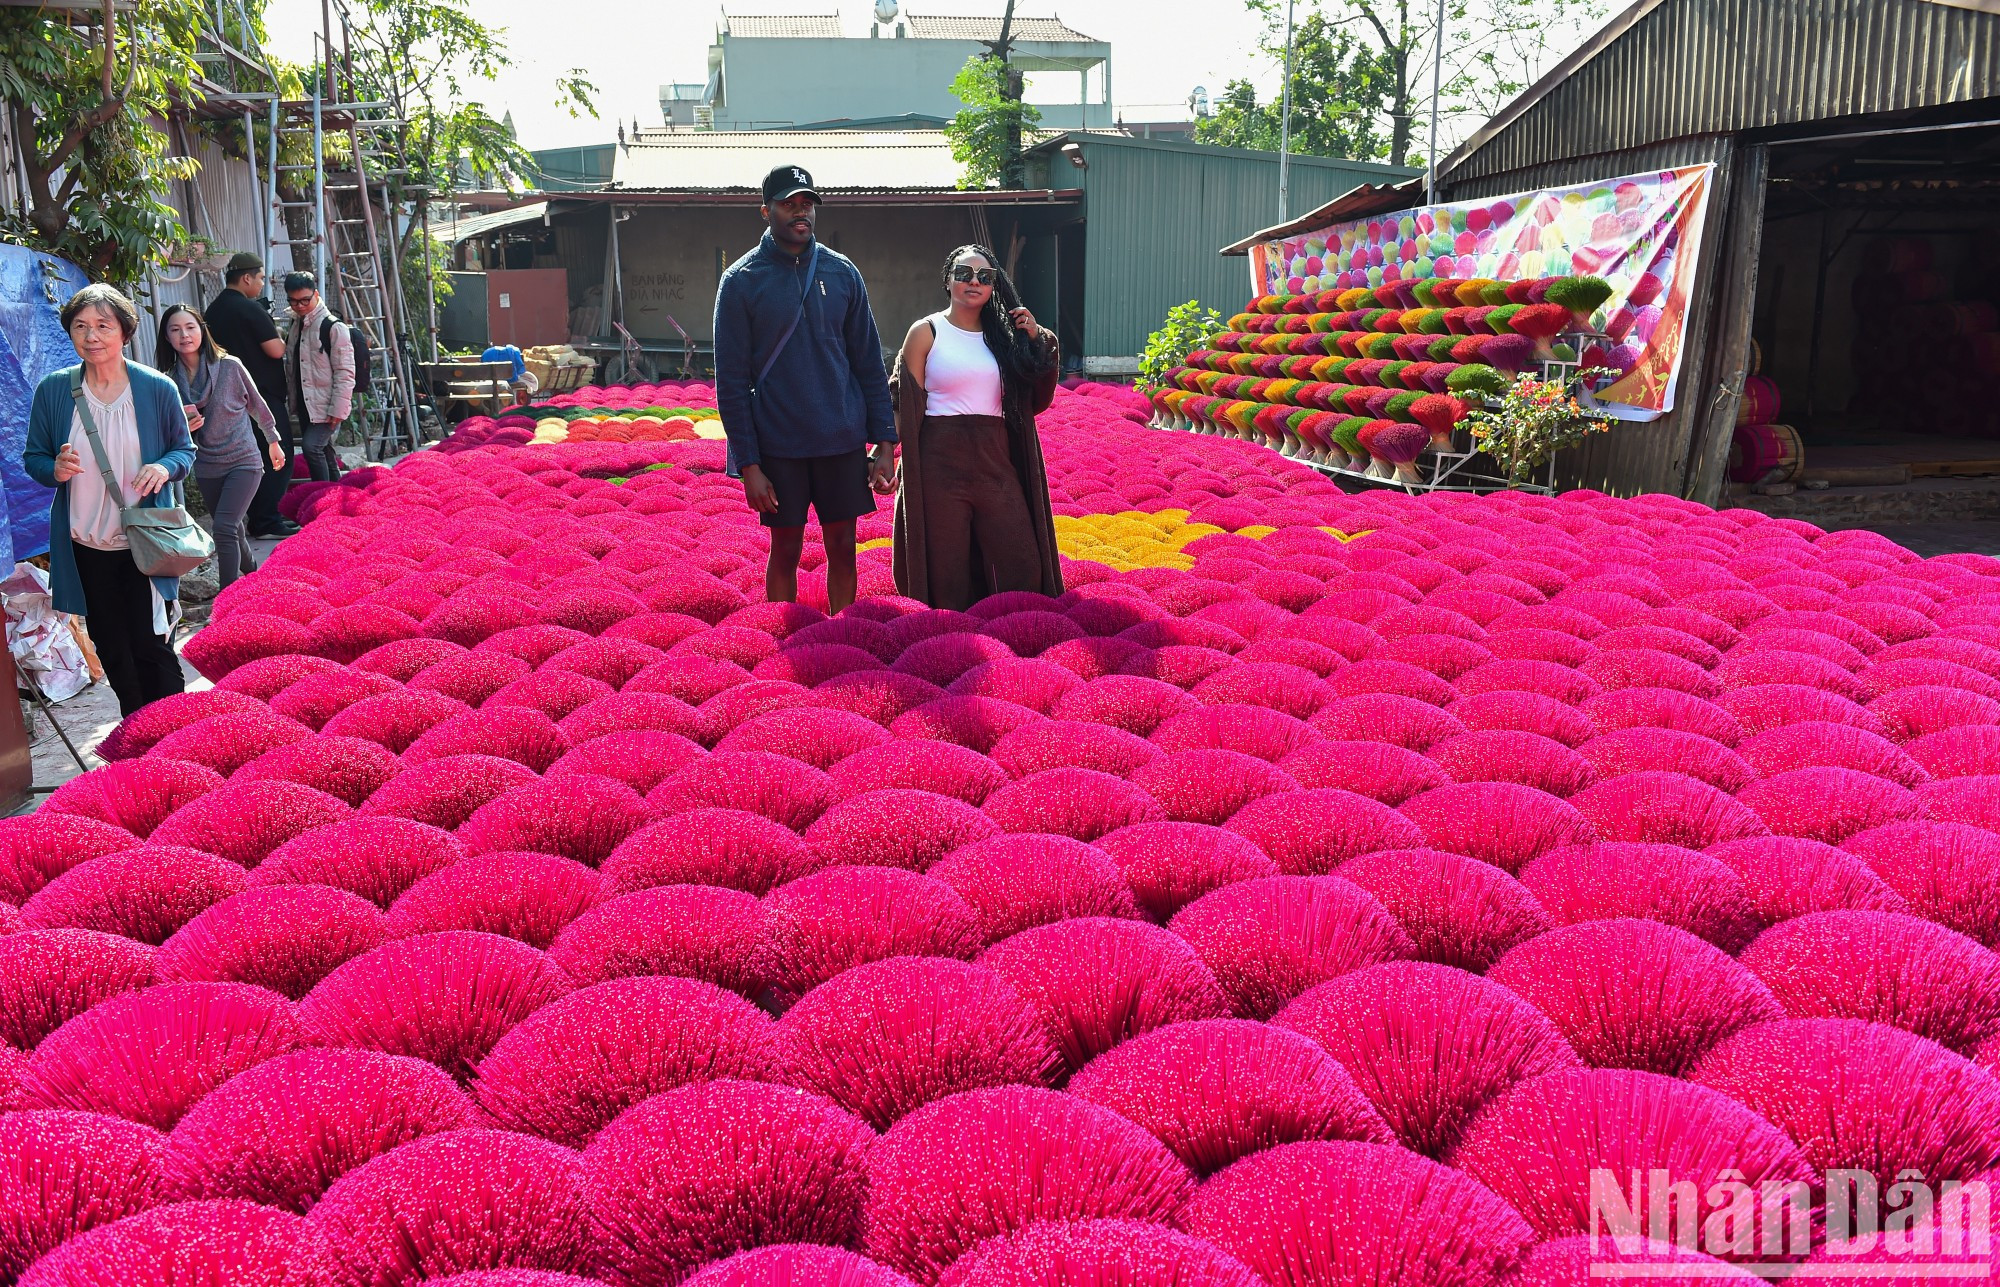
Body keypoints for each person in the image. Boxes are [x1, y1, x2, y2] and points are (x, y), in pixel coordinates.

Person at [713, 164, 896, 615]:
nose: (801, 212)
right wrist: (749, 465)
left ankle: (842, 631)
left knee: (844, 546)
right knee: (786, 549)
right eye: (789, 204)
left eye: (807, 204)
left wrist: (885, 442)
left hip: (841, 439)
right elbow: (731, 384)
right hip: (780, 444)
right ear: (765, 211)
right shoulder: (741, 280)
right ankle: (783, 633)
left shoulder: (842, 272)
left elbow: (869, 363)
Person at [22, 284, 194, 716]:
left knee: (152, 643)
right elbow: (34, 458)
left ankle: (175, 733)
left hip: (147, 541)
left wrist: (163, 467)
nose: (92, 336)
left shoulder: (156, 388)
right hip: (85, 543)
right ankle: (136, 732)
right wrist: (54, 468)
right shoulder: (54, 390)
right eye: (81, 326)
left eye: (103, 325)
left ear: (125, 332)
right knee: (112, 646)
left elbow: (184, 451)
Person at [890, 244, 1063, 611]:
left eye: (985, 277)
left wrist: (1034, 340)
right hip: (939, 466)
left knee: (1021, 564)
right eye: (964, 274)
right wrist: (883, 453)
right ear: (948, 280)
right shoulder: (926, 332)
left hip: (995, 462)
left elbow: (1036, 400)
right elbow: (903, 403)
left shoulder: (1006, 339)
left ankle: (1014, 633)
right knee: (945, 575)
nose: (974, 282)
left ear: (994, 285)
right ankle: (951, 640)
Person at [156, 303, 285, 589]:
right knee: (233, 529)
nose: (184, 335)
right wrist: (184, 428)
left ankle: (227, 597)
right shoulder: (168, 381)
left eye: (190, 327)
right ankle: (255, 577)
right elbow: (166, 429)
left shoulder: (230, 366)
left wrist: (273, 440)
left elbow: (257, 405)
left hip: (244, 459)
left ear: (202, 330)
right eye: (175, 330)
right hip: (207, 465)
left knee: (223, 528)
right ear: (167, 337)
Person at [204, 252, 300, 538]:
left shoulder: (212, 311)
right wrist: (279, 330)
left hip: (227, 398)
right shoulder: (249, 309)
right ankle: (266, 520)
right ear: (246, 278)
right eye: (259, 278)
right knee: (277, 455)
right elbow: (276, 350)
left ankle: (261, 517)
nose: (260, 284)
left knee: (249, 458)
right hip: (261, 395)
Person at [281, 271, 353, 482]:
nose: (300, 306)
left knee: (311, 447)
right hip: (305, 403)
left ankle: (321, 494)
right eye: (293, 301)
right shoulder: (296, 323)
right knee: (325, 452)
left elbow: (345, 371)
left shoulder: (333, 326)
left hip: (327, 404)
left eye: (305, 300)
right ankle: (335, 491)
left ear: (316, 294)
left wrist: (338, 408)